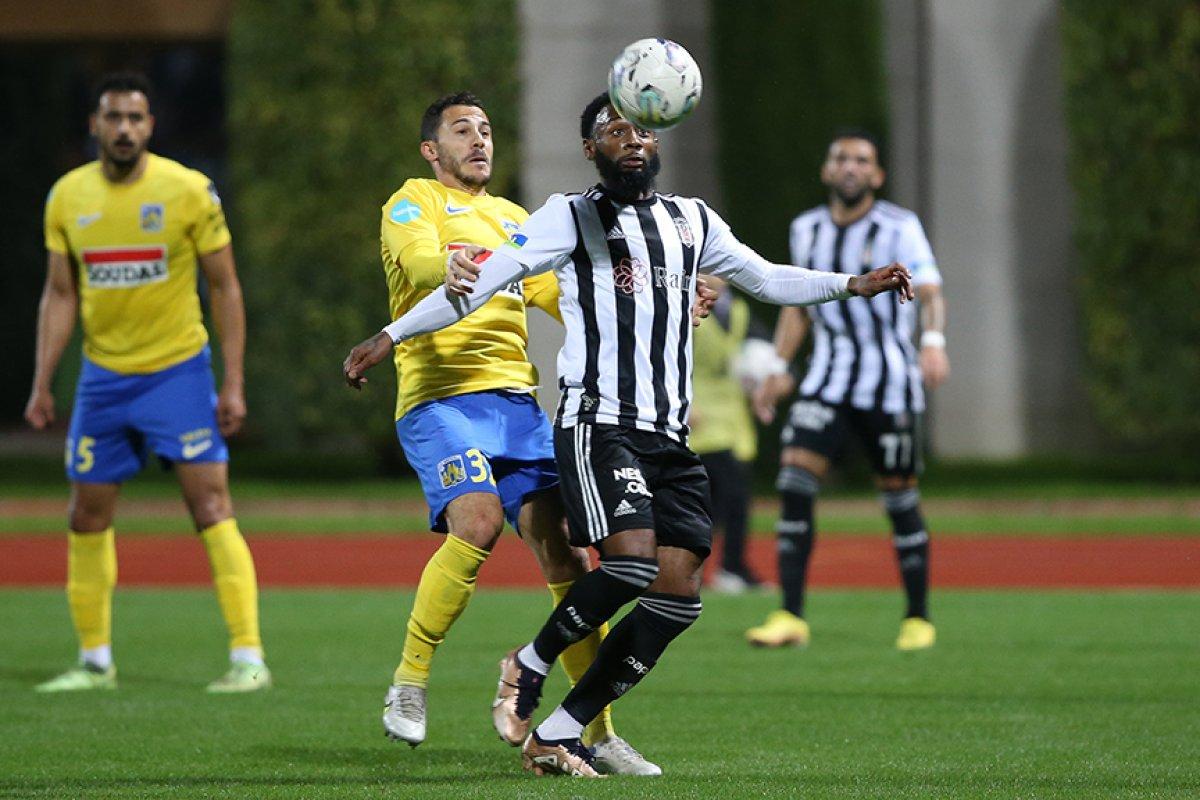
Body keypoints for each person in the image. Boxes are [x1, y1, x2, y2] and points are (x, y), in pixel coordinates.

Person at [344, 93, 913, 777]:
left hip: (664, 432)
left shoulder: (690, 221)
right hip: (591, 420)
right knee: (603, 555)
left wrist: (852, 284)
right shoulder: (564, 214)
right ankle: (498, 668)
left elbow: (764, 277)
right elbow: (482, 277)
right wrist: (391, 332)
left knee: (675, 594)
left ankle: (570, 729)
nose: (631, 138)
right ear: (591, 150)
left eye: (641, 127)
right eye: (613, 131)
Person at [365, 92, 663, 774]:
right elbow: (416, 263)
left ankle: (596, 729)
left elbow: (561, 296)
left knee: (571, 558)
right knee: (477, 522)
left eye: (487, 130)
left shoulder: (512, 219)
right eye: (462, 130)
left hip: (519, 408)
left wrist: (647, 302)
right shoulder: (412, 200)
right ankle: (410, 682)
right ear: (431, 150)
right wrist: (454, 265)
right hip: (440, 399)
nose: (479, 140)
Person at [25, 72, 268, 693]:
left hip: (178, 375)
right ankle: (94, 662)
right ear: (95, 125)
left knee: (211, 506)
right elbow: (59, 293)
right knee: (85, 514)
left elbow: (225, 287)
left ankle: (248, 657)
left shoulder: (188, 191)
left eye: (135, 118)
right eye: (113, 118)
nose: (125, 129)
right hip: (103, 380)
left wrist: (232, 383)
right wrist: (43, 382)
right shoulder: (66, 197)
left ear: (150, 126)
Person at [745, 128, 949, 652]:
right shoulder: (807, 228)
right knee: (793, 482)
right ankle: (790, 614)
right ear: (828, 171)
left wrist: (932, 341)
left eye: (862, 159)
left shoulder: (900, 226)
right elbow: (797, 304)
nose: (851, 167)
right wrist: (778, 365)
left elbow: (929, 290)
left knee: (900, 498)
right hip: (827, 381)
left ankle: (917, 618)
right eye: (841, 158)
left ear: (877, 175)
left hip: (890, 385)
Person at [689, 279, 765, 592]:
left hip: (733, 419)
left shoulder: (739, 310)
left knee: (730, 501)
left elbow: (761, 352)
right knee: (711, 502)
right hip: (699, 417)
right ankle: (724, 568)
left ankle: (728, 567)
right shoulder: (683, 306)